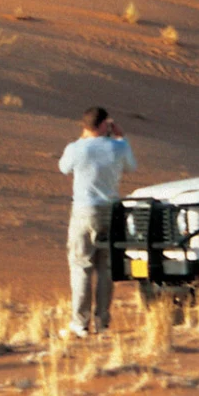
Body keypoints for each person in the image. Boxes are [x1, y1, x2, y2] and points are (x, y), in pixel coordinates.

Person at [57, 106, 136, 336]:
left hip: (84, 211)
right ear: (104, 125)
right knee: (105, 269)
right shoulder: (118, 147)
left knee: (81, 266)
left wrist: (83, 139)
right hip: (110, 212)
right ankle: (102, 322)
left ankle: (80, 323)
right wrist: (121, 136)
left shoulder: (75, 148)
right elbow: (132, 166)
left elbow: (63, 168)